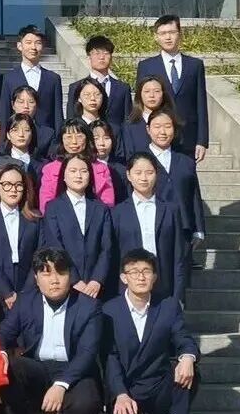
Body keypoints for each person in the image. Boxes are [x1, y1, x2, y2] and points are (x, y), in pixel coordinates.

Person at [0, 248, 103, 414]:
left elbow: (87, 353)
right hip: (38, 368)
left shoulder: (88, 306)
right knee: (5, 366)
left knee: (88, 403)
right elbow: (2, 333)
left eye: (61, 273)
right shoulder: (26, 301)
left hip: (74, 371)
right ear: (36, 278)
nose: (54, 280)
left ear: (70, 275)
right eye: (46, 274)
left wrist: (61, 384)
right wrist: (1, 353)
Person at [103, 249, 198, 414]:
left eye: (146, 271)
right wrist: (120, 393)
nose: (141, 277)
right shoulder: (109, 310)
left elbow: (183, 338)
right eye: (134, 272)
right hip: (128, 388)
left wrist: (188, 357)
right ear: (124, 278)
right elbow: (110, 357)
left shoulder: (168, 305)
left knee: (190, 370)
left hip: (158, 384)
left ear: (154, 277)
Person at [111, 153, 188, 300]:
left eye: (149, 172)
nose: (144, 178)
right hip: (129, 286)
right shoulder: (117, 213)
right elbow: (113, 255)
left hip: (163, 283)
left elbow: (178, 255)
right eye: (138, 173)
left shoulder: (170, 210)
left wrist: (178, 295)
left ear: (156, 174)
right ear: (128, 175)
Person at [136, 15, 208, 162]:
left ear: (179, 34)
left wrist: (202, 141)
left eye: (172, 32)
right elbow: (140, 103)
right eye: (163, 33)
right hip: (157, 137)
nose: (168, 37)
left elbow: (201, 104)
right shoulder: (146, 66)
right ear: (156, 37)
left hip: (187, 137)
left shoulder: (195, 66)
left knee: (186, 175)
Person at [42, 154, 114, 300]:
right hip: (66, 283)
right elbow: (55, 246)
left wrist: (97, 279)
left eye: (84, 171)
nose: (78, 175)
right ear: (63, 176)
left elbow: (107, 247)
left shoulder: (101, 208)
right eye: (73, 171)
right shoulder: (53, 207)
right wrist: (74, 280)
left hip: (96, 287)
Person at [0, 164, 43, 318]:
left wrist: (26, 292)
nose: (13, 190)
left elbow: (39, 254)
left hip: (28, 287)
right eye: (7, 184)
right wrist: (6, 292)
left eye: (18, 185)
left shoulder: (34, 218)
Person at [146, 109, 206, 249]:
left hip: (183, 227)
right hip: (150, 226)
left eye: (168, 126)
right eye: (157, 127)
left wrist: (199, 228)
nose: (162, 132)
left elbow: (194, 195)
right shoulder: (140, 160)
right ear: (148, 129)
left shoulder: (186, 162)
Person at [37, 119, 116, 212]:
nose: (74, 142)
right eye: (69, 137)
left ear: (87, 138)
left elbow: (108, 203)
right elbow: (46, 204)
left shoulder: (101, 168)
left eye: (79, 136)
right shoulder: (50, 169)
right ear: (62, 139)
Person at [0, 25, 64, 133]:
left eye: (38, 43)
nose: (33, 47)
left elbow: (58, 115)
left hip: (46, 137)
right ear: (20, 46)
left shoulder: (53, 79)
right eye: (28, 42)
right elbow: (4, 112)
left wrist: (57, 139)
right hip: (18, 136)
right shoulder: (9, 78)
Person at [66, 35, 132, 127]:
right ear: (89, 57)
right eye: (97, 53)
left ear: (111, 57)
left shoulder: (123, 88)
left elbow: (127, 120)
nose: (101, 57)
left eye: (106, 53)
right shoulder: (75, 87)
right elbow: (71, 119)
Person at [122, 75, 179, 157]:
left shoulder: (173, 121)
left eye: (157, 91)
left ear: (163, 94)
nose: (152, 95)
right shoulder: (129, 125)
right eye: (147, 91)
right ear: (139, 94)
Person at [9, 86, 56, 159]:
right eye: (21, 102)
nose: (26, 106)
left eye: (31, 102)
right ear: (13, 105)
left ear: (36, 105)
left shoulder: (47, 134)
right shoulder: (2, 131)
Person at [90, 119, 129, 205]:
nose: (101, 143)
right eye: (96, 139)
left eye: (106, 138)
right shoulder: (85, 167)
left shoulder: (121, 169)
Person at [2, 113, 45, 185]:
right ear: (8, 135)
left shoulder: (42, 164)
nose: (21, 134)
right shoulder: (0, 162)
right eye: (15, 130)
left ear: (32, 134)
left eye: (26, 130)